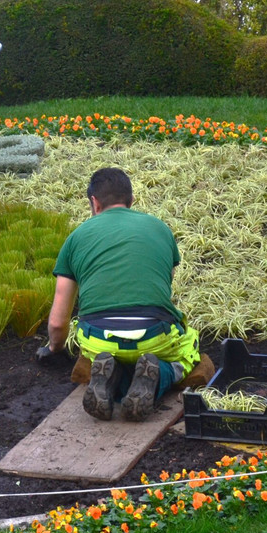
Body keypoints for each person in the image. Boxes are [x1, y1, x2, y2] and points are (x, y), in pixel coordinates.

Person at [43, 167, 200, 422]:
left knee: (102, 354)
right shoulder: (160, 228)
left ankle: (113, 378)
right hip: (154, 334)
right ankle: (157, 376)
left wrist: (53, 349)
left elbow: (58, 322)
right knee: (189, 349)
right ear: (132, 200)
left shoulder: (76, 238)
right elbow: (163, 285)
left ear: (94, 202)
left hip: (98, 337)